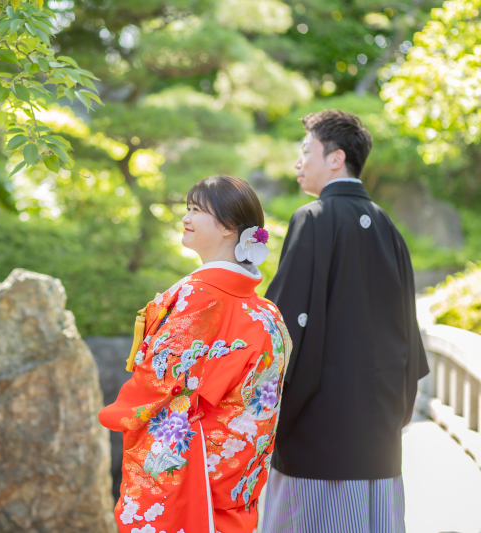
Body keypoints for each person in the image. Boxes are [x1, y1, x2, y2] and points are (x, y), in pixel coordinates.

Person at [262, 110, 429, 533]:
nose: (299, 163)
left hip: (320, 435)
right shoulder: (389, 228)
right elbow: (408, 333)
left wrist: (267, 409)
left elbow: (282, 327)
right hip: (378, 436)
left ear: (335, 159)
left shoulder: (313, 219)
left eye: (306, 151)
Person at [99, 175, 292, 533]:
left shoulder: (201, 297)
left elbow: (161, 378)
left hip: (195, 463)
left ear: (229, 226)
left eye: (197, 210)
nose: (186, 217)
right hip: (234, 464)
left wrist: (121, 411)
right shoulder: (266, 312)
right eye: (187, 208)